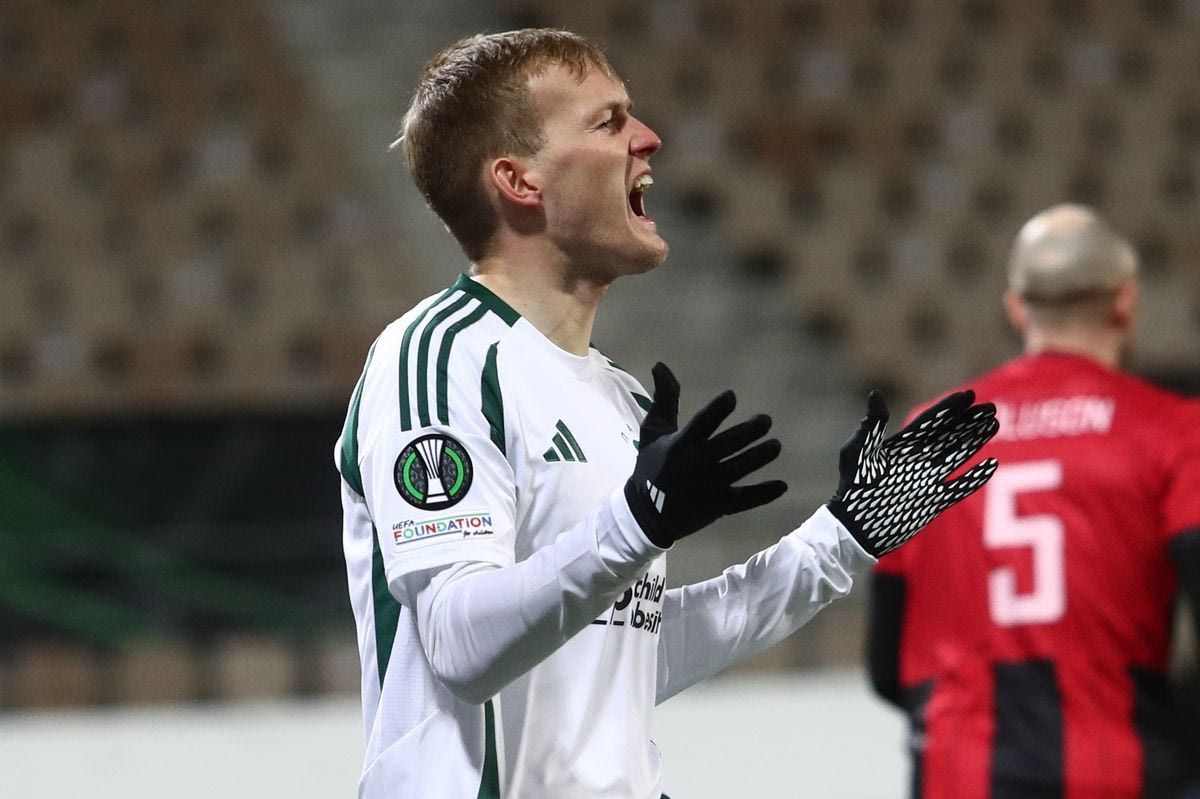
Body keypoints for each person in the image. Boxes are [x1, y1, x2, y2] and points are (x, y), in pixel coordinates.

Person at [335, 29, 998, 799]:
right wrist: (636, 521)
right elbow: (458, 644)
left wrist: (839, 538)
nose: (648, 138)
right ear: (519, 180)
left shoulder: (618, 397)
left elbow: (620, 662)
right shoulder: (438, 356)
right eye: (608, 121)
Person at [867, 204, 1200, 799]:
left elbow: (886, 663)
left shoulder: (928, 433)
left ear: (1017, 309)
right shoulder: (1174, 431)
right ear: (1125, 303)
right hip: (1115, 766)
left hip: (957, 772)